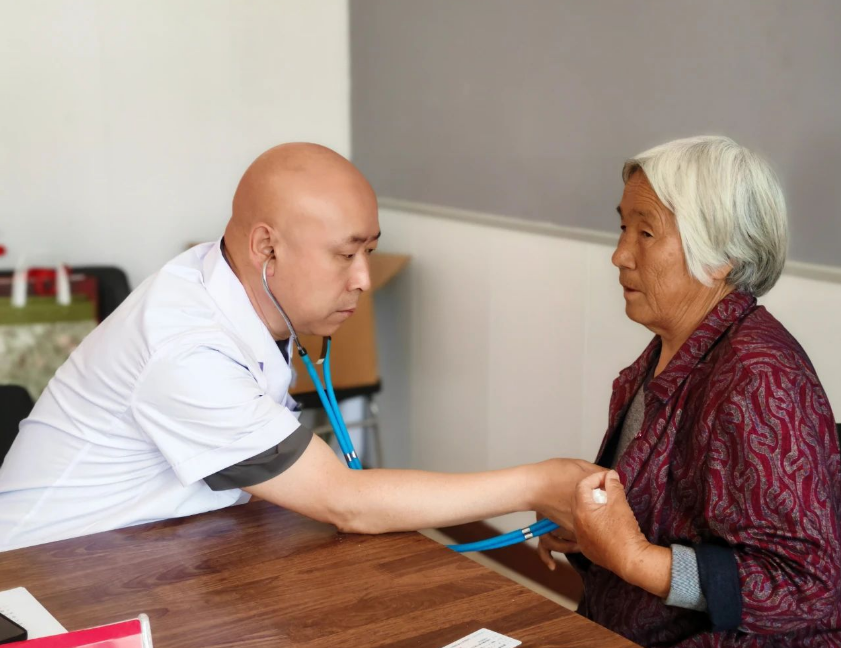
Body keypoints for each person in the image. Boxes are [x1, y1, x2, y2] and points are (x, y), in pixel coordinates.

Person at [0, 143, 598, 551]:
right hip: (43, 578)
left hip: (148, 548)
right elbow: (345, 502)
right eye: (345, 254)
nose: (363, 279)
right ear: (267, 248)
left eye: (369, 251)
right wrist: (536, 484)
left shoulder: (227, 287)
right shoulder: (185, 348)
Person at [538, 136, 841, 646]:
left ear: (721, 256)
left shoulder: (758, 375)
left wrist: (633, 557)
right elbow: (668, 518)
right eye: (623, 227)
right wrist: (593, 533)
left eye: (646, 232)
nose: (619, 255)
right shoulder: (670, 350)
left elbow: (806, 587)